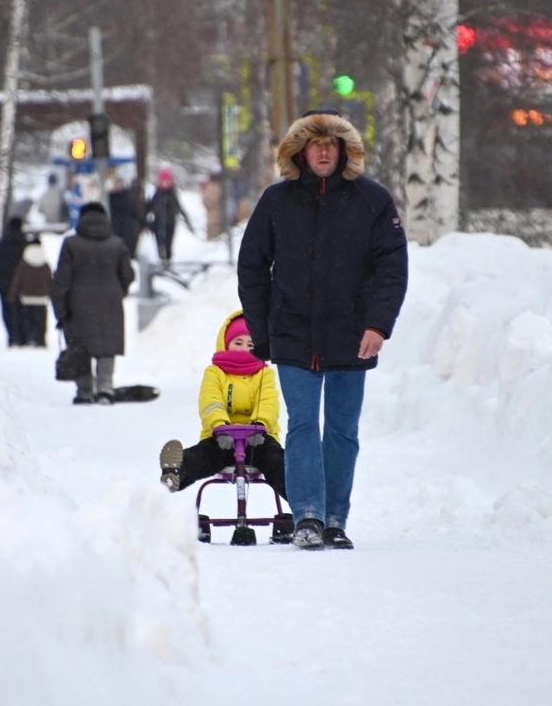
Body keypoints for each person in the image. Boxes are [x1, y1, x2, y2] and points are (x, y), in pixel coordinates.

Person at [237, 108, 408, 550]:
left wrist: (378, 325)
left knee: (342, 430)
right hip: (293, 331)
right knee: (302, 426)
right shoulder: (277, 201)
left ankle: (335, 517)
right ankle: (307, 515)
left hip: (353, 333)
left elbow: (392, 268)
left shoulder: (372, 201)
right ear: (301, 151)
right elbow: (252, 265)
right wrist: (262, 328)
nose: (324, 151)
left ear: (345, 151)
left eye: (332, 144)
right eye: (316, 144)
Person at [158, 311, 286, 503]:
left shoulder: (263, 373)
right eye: (238, 343)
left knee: (276, 462)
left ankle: (302, 500)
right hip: (222, 437)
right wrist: (219, 425)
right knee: (203, 456)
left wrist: (261, 423)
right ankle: (177, 471)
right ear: (226, 343)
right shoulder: (215, 372)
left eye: (250, 345)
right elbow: (210, 400)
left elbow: (268, 402)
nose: (244, 349)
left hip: (258, 438)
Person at [50, 201, 135, 405]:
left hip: (77, 304)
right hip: (111, 303)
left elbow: (61, 280)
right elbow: (128, 274)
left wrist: (60, 310)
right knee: (106, 347)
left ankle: (85, 390)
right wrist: (118, 291)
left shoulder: (71, 244)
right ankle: (105, 388)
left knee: (81, 347)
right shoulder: (117, 244)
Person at [0, 217, 27, 344]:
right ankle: (22, 337)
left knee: (7, 312)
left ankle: (12, 335)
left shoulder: (0, 244)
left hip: (4, 285)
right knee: (22, 311)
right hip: (23, 285)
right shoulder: (26, 244)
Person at [8, 233, 52, 347]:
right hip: (42, 297)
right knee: (41, 320)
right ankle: (40, 340)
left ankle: (29, 338)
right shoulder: (45, 263)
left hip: (26, 296)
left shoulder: (24, 263)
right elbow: (49, 280)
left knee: (28, 319)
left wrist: (13, 294)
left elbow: (18, 279)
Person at [144, 168, 194, 264]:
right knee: (159, 244)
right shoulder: (157, 194)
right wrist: (147, 221)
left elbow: (179, 207)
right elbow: (149, 207)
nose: (165, 183)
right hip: (158, 223)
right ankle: (162, 261)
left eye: (167, 181)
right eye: (163, 181)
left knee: (168, 244)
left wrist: (186, 220)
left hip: (170, 223)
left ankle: (167, 261)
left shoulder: (172, 194)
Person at [108, 176, 142, 257]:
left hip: (127, 229)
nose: (118, 186)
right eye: (116, 183)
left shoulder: (128, 196)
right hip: (116, 228)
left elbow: (135, 212)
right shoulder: (111, 197)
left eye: (119, 183)